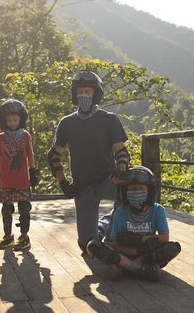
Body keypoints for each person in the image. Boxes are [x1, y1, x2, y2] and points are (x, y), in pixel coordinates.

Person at [47, 70, 130, 254]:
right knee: (87, 244)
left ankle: (116, 226)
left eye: (88, 92)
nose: (84, 95)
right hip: (82, 187)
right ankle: (100, 229)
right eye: (80, 91)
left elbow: (121, 151)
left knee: (133, 191)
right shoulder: (66, 123)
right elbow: (54, 155)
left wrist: (122, 170)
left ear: (96, 94)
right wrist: (63, 183)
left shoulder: (109, 120)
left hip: (108, 180)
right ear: (75, 94)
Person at [97, 166, 181, 282]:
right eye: (133, 188)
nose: (136, 191)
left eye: (141, 188)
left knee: (172, 248)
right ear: (126, 192)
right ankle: (143, 270)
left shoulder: (158, 210)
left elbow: (164, 238)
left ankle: (124, 270)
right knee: (94, 246)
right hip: (124, 253)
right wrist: (138, 249)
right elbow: (115, 244)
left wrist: (140, 239)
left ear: (149, 192)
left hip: (147, 255)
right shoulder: (120, 211)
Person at [0, 99, 39, 251]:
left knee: (24, 207)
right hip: (6, 179)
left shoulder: (25, 136)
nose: (12, 123)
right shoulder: (0, 138)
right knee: (6, 208)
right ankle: (8, 237)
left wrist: (33, 171)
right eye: (9, 120)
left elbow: (30, 155)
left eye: (15, 119)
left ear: (21, 119)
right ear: (4, 121)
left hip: (22, 179)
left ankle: (24, 237)